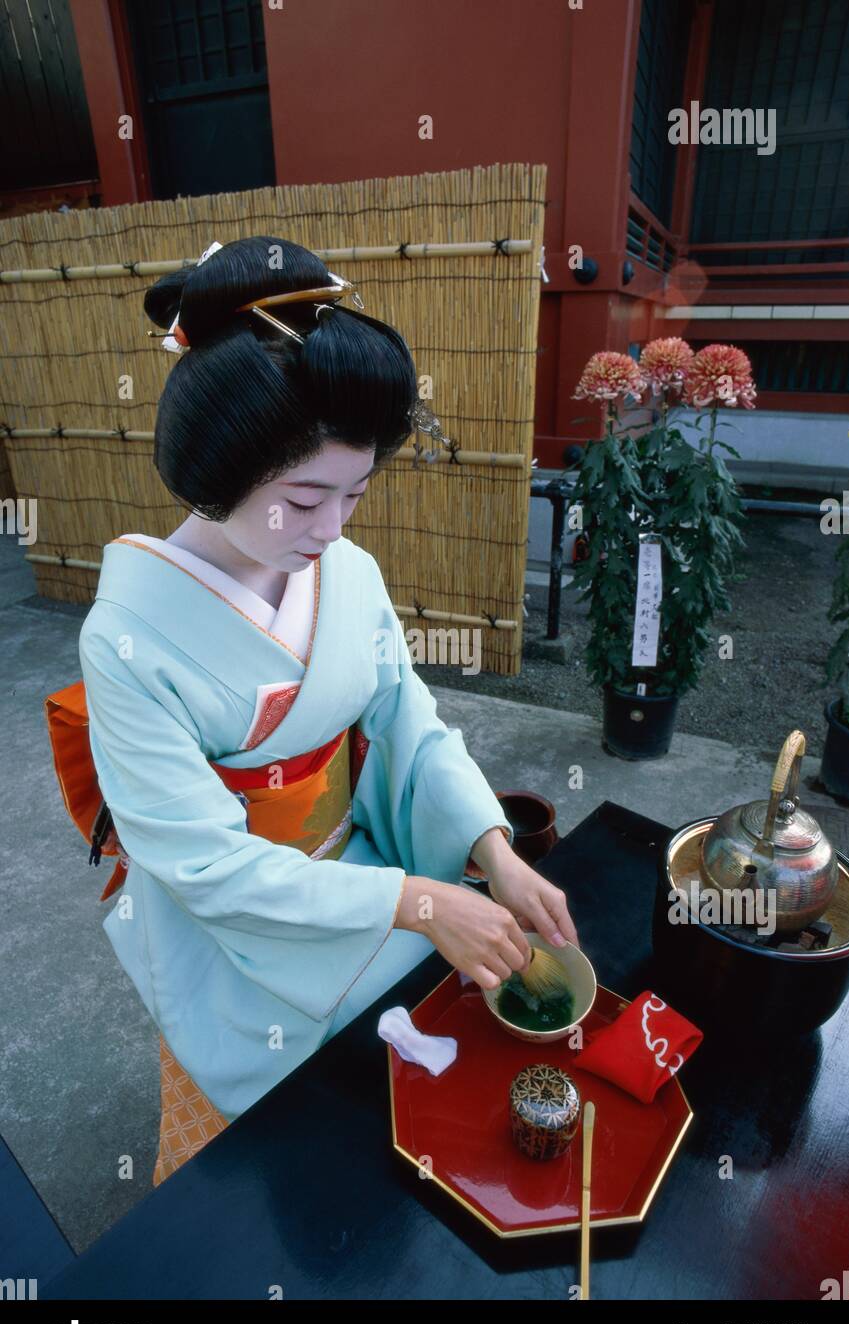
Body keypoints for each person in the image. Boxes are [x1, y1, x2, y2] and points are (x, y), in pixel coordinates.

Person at [72, 236, 578, 1184]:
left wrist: (488, 850)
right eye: (303, 499)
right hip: (232, 923)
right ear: (218, 471)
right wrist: (423, 901)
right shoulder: (126, 637)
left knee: (423, 1087)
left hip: (361, 867)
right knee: (287, 1159)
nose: (332, 530)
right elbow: (210, 866)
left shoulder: (348, 572)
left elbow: (405, 718)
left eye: (354, 494)